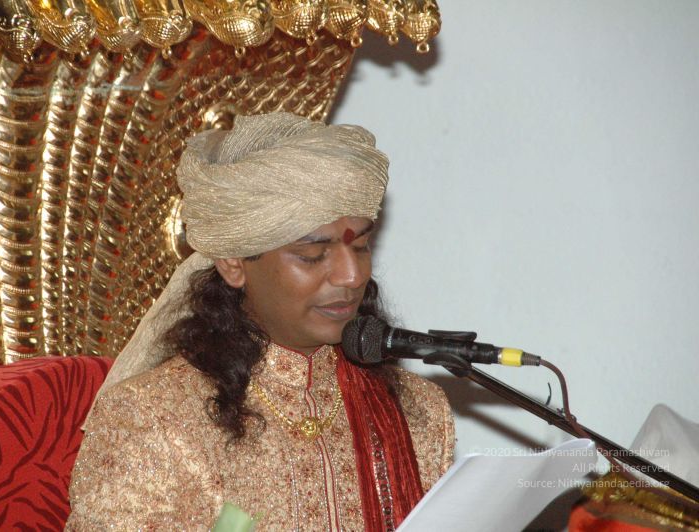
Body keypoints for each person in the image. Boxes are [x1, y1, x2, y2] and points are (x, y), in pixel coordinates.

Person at [66, 112, 454, 531]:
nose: (351, 275)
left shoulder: (417, 411)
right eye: (312, 255)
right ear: (234, 264)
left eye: (360, 247)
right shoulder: (153, 417)